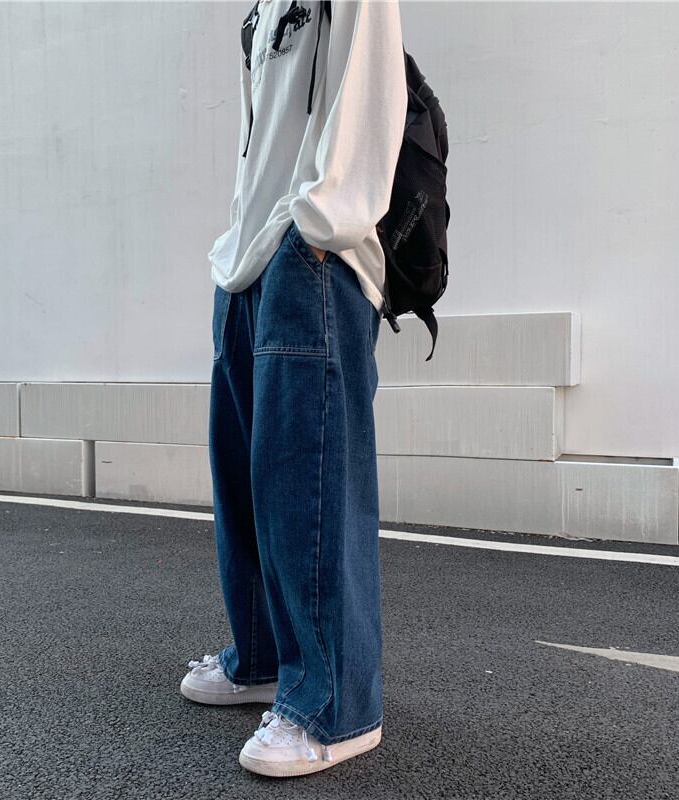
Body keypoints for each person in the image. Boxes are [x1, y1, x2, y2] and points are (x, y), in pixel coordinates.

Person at [181, 0, 408, 777]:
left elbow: (369, 93)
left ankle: (334, 708)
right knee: (247, 481)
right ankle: (261, 659)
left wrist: (318, 226)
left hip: (310, 254)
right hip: (246, 261)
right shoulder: (260, 10)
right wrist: (237, 249)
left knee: (309, 486)